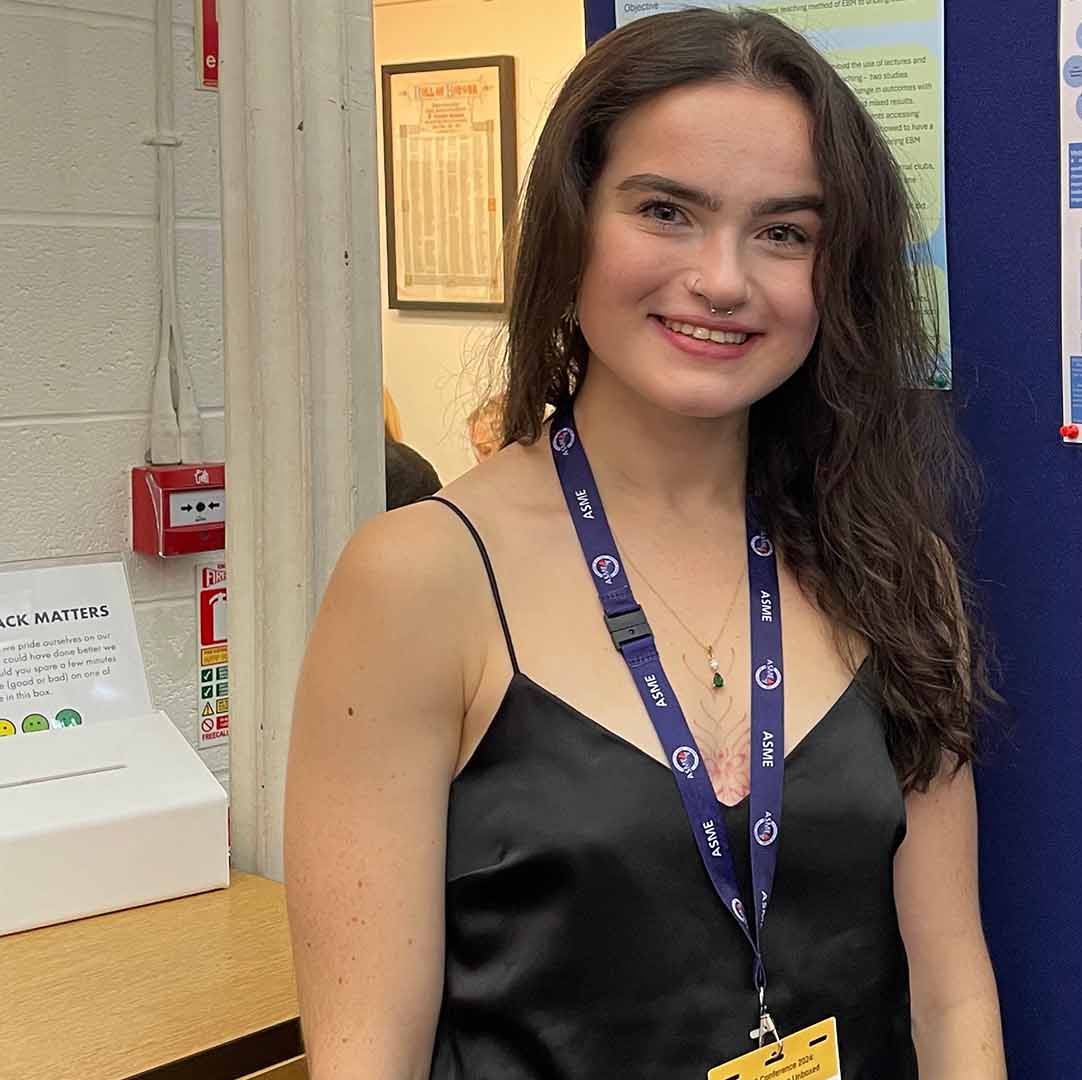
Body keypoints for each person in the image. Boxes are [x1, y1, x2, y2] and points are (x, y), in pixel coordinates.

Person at [284, 9, 1005, 1079]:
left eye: (784, 232)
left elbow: (950, 995)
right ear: (573, 227)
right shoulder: (420, 580)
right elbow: (363, 1060)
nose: (723, 279)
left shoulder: (892, 570)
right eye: (666, 210)